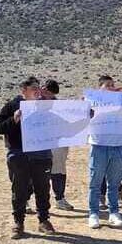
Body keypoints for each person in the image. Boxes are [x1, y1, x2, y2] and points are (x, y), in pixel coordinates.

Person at [0, 76, 57, 239]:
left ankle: (44, 220)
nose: (38, 91)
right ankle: (18, 222)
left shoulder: (46, 106)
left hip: (41, 154)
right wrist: (13, 119)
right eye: (33, 88)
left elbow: (65, 118)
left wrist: (84, 112)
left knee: (43, 188)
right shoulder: (13, 105)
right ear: (24, 91)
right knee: (19, 189)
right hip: (19, 154)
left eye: (38, 88)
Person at [87, 75, 122, 229]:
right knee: (95, 182)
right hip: (98, 145)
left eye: (113, 84)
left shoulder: (121, 102)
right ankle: (93, 214)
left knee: (114, 183)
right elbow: (83, 112)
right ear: (100, 88)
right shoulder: (92, 101)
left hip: (117, 146)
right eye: (107, 85)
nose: (112, 87)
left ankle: (114, 213)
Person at [39, 80, 75, 212]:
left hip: (57, 144)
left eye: (50, 93)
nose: (47, 95)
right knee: (34, 173)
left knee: (58, 171)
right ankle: (26, 200)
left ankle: (60, 198)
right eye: (46, 91)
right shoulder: (31, 104)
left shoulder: (60, 107)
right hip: (38, 144)